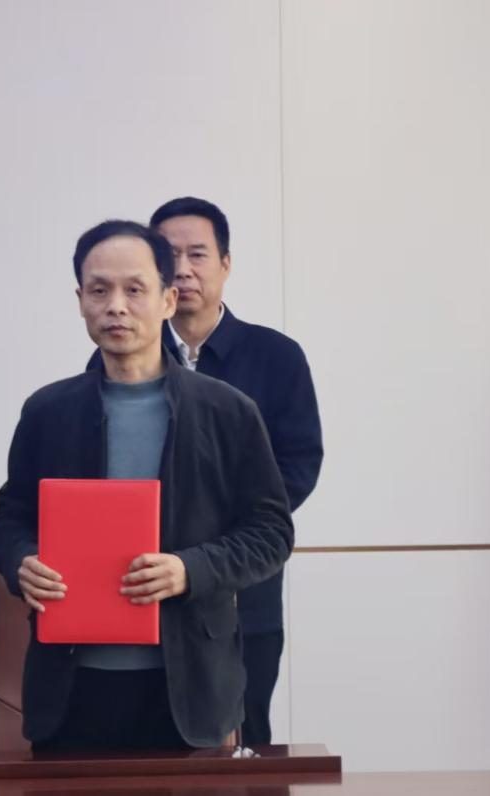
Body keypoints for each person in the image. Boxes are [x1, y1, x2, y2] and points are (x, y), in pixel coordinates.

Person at [0, 220, 293, 751]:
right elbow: (9, 520)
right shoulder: (48, 411)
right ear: (80, 301)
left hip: (187, 685)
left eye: (135, 290)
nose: (116, 307)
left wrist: (190, 569)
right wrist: (21, 561)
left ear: (169, 300)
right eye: (99, 291)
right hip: (72, 685)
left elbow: (271, 533)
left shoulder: (227, 411)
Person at [87, 197, 323, 744]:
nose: (185, 268)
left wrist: (210, 545)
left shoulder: (276, 355)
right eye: (170, 256)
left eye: (198, 254)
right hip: (140, 582)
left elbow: (298, 464)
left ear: (226, 264)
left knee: (243, 733)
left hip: (241, 579)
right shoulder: (115, 358)